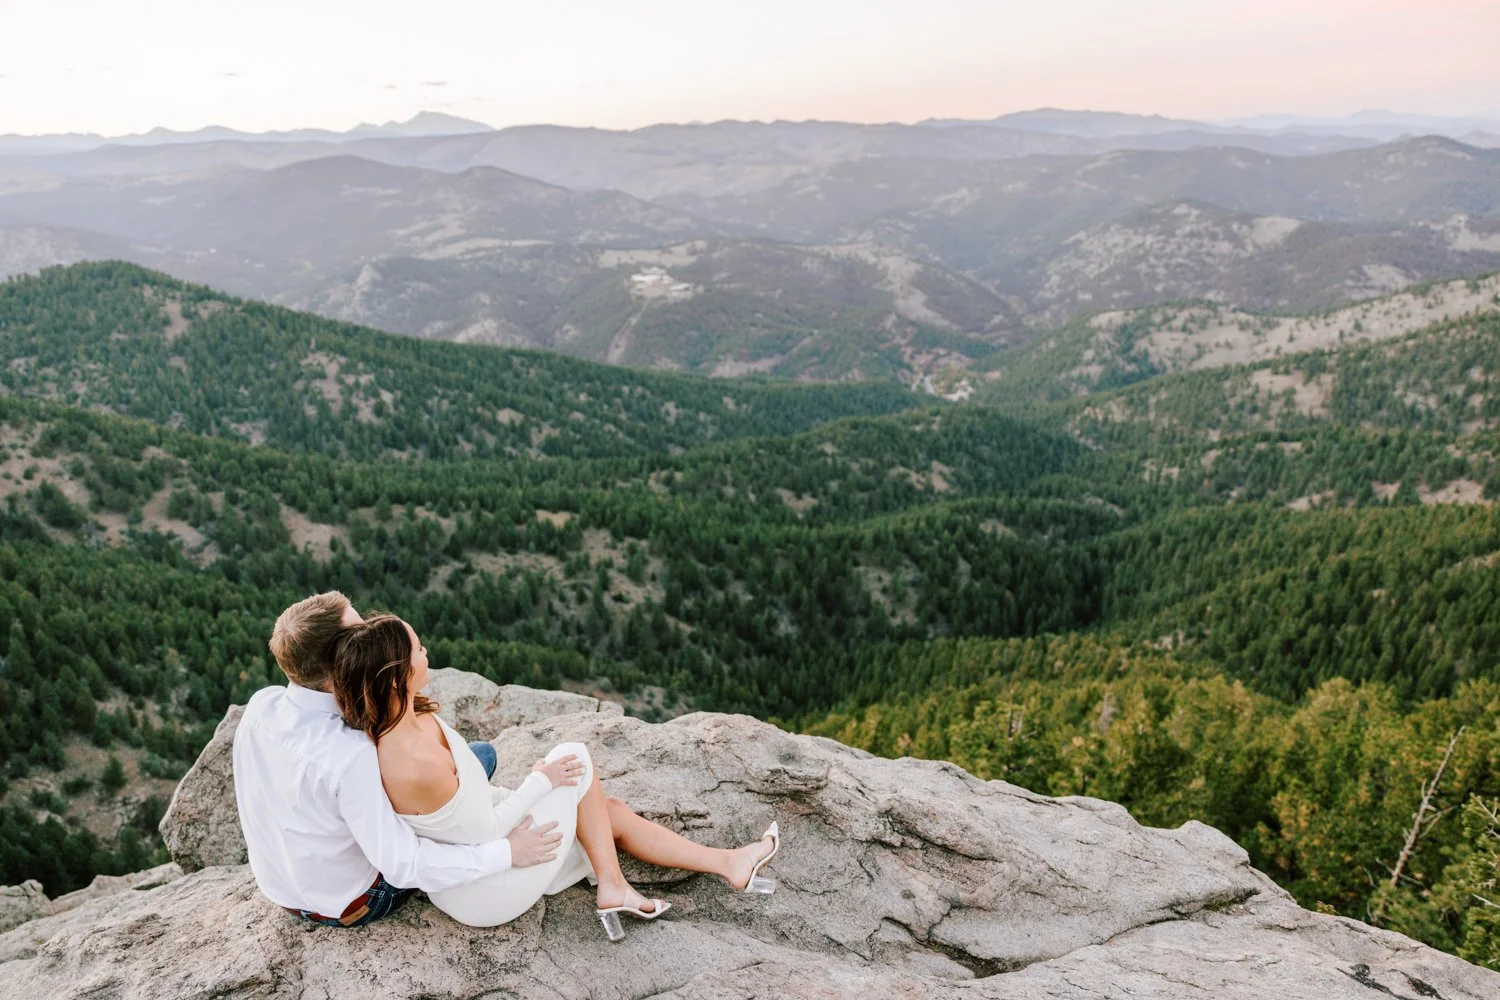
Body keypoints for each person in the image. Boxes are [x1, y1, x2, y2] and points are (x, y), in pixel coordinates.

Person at [330, 613, 781, 939]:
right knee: (573, 756)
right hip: (487, 886)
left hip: (489, 842)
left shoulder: (405, 719)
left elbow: (468, 807)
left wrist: (531, 792)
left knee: (607, 813)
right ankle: (614, 886)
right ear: (395, 678)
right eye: (418, 650)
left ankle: (727, 864)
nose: (426, 652)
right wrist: (539, 783)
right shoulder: (412, 762)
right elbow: (483, 833)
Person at [232, 591, 563, 928]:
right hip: (357, 901)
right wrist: (507, 852)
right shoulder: (352, 754)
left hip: (282, 891)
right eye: (361, 633)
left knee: (478, 756)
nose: (374, 634)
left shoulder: (261, 706)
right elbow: (404, 865)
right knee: (470, 765)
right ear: (340, 664)